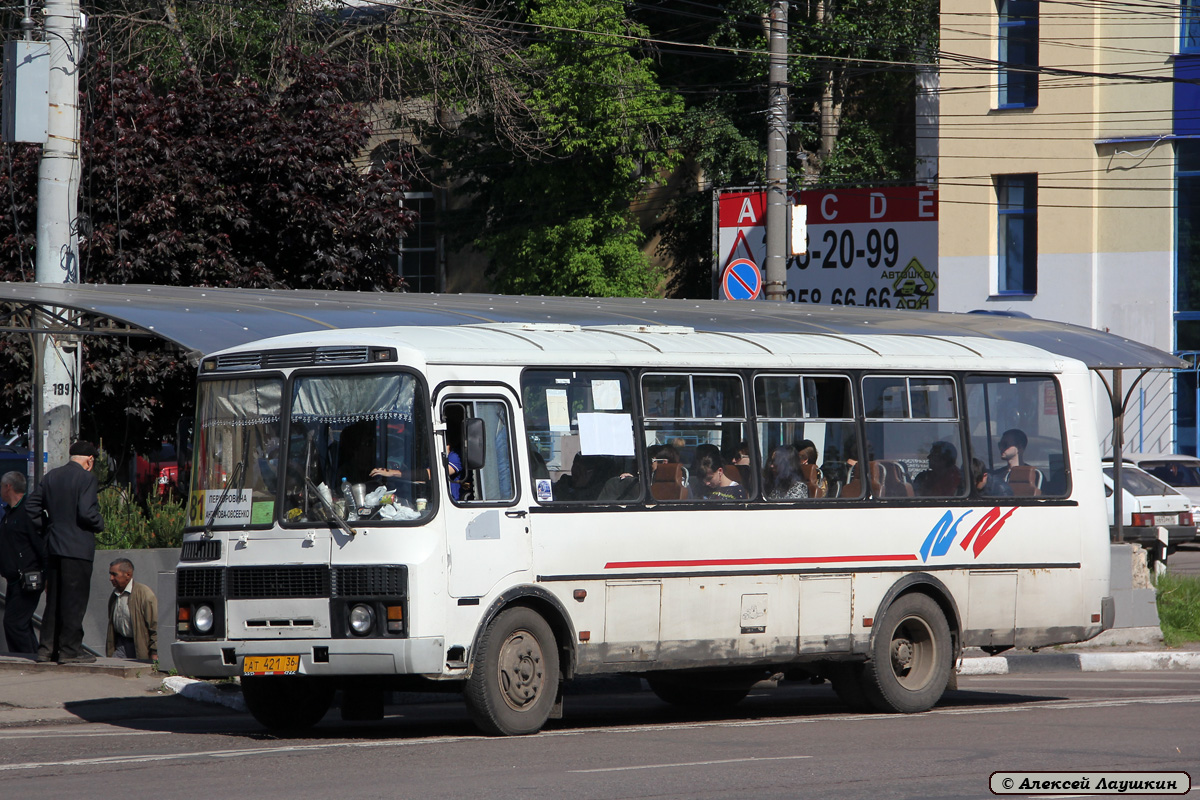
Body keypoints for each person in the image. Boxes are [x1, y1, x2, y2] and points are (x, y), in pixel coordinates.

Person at [28, 440, 105, 664]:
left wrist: (47, 528)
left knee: (54, 600)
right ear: (89, 460)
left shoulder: (51, 476)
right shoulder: (87, 478)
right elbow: (86, 512)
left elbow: (32, 507)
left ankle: (46, 649)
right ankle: (70, 651)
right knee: (74, 601)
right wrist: (99, 523)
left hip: (53, 547)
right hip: (77, 549)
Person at [0, 471, 46, 654]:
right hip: (13, 580)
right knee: (21, 624)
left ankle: (27, 659)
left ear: (8, 487)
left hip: (27, 579)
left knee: (14, 623)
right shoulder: (8, 515)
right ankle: (32, 656)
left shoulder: (27, 512)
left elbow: (41, 545)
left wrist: (46, 574)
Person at [105, 558, 158, 662]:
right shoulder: (114, 596)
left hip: (140, 647)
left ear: (128, 575)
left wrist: (155, 652)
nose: (111, 578)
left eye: (114, 574)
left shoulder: (144, 594)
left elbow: (155, 626)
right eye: (110, 574)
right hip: (121, 646)